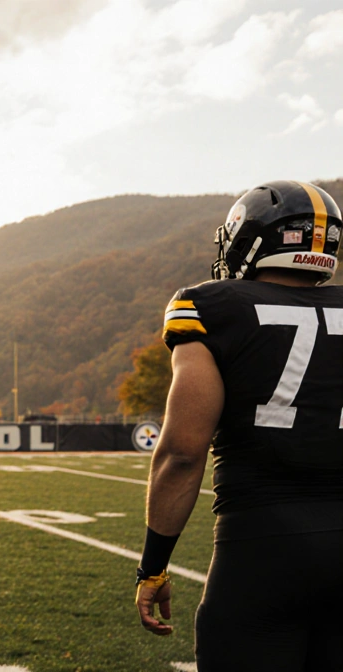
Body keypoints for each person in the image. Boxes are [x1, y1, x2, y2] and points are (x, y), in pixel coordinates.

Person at [136, 181, 343, 670]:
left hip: (261, 548)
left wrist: (154, 565)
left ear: (250, 239)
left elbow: (182, 453)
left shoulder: (211, 306)